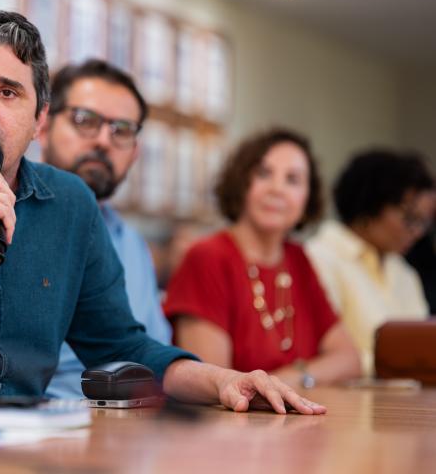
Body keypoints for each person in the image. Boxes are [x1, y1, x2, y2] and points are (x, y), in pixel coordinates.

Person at [0, 5, 326, 415]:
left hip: (28, 446)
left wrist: (225, 381)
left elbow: (120, 345)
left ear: (39, 120)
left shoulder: (70, 204)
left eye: (8, 93)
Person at [164, 128, 361, 389]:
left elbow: (349, 360)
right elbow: (213, 385)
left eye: (292, 179)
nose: (277, 189)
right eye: (263, 173)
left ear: (307, 197)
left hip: (298, 412)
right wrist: (300, 379)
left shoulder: (297, 259)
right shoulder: (207, 257)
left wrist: (290, 379)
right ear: (241, 182)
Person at [36, 59, 171, 398]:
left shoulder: (132, 244)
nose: (103, 141)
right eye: (85, 120)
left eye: (121, 130)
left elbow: (152, 357)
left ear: (135, 152)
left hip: (131, 420)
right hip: (36, 419)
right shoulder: (1, 223)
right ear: (42, 126)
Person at [306, 149, 435, 374]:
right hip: (344, 392)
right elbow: (324, 354)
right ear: (370, 203)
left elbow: (422, 346)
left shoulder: (403, 271)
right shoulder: (321, 257)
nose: (417, 232)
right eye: (409, 218)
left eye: (424, 223)